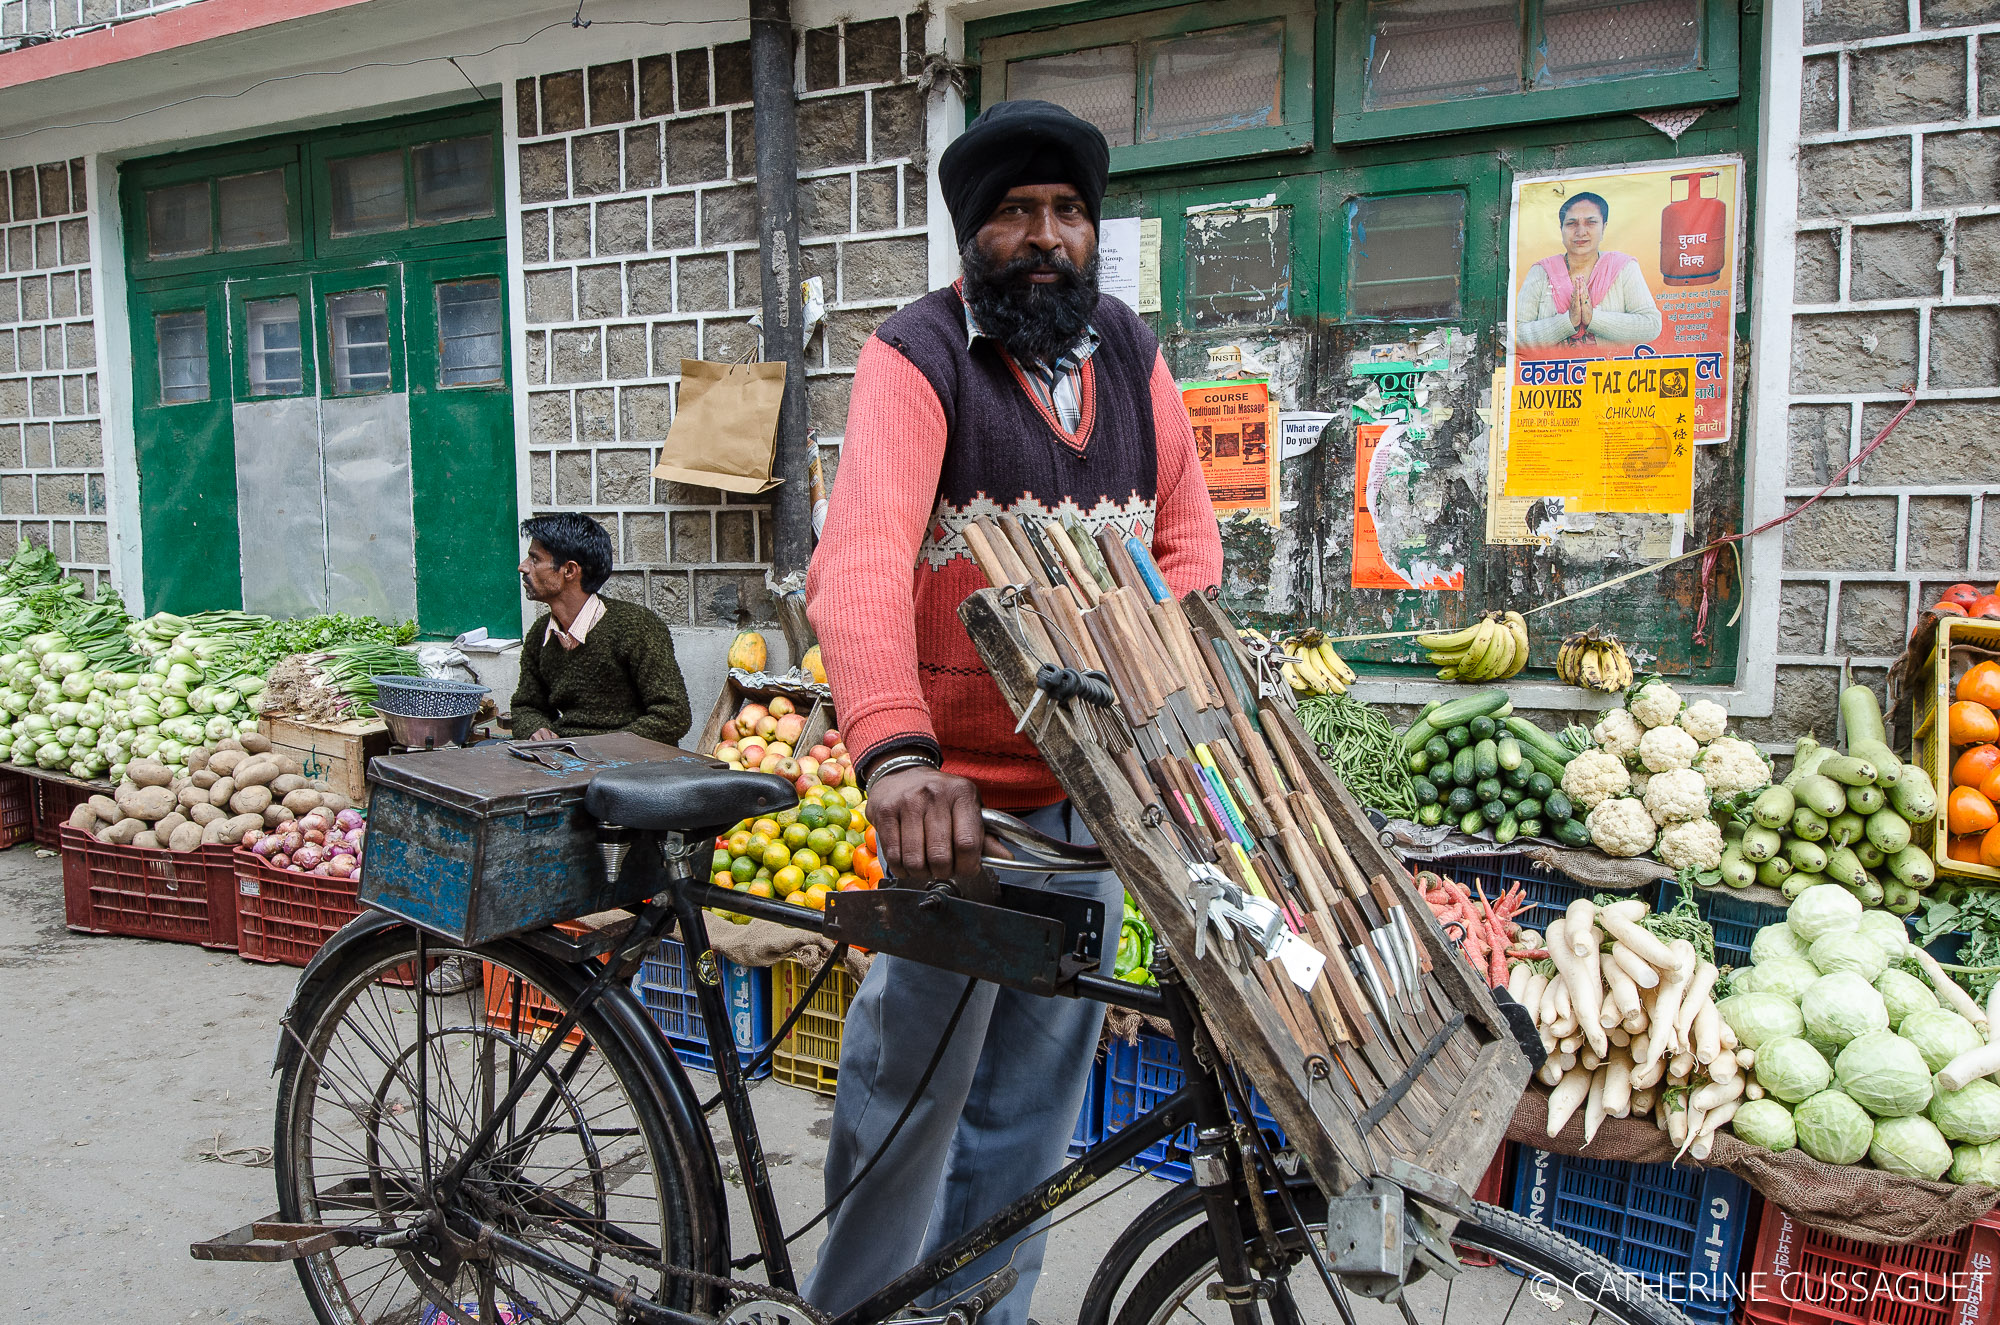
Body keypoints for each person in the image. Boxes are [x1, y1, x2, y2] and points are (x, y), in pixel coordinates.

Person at [801, 100, 1222, 1325]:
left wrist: (1181, 729)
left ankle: (980, 1309)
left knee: (1033, 1099)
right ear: (969, 238)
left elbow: (1184, 550)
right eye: (1013, 216)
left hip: (1087, 795)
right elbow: (861, 561)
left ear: (1092, 232)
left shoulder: (1134, 359)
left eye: (1066, 213)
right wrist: (893, 753)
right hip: (954, 809)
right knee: (908, 1097)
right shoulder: (918, 354)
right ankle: (858, 1309)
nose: (1044, 238)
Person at [507, 513, 691, 746]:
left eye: (534, 559)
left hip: (631, 767)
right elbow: (527, 706)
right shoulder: (539, 633)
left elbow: (673, 716)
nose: (522, 567)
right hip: (565, 758)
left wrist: (602, 748)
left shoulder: (637, 627)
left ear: (570, 570)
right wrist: (535, 729)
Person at [1515, 191, 1663, 350]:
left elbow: (1651, 325)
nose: (1580, 232)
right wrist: (1567, 322)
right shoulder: (1541, 271)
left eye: (1590, 222)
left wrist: (1594, 319)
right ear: (1561, 229)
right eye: (1571, 223)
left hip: (1610, 373)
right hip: (1551, 373)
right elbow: (1516, 334)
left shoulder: (1623, 267)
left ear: (1604, 227)